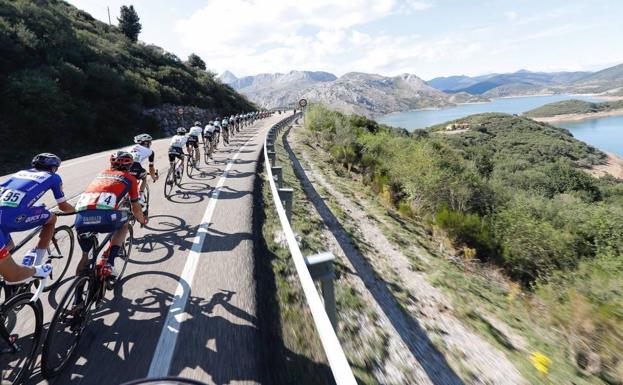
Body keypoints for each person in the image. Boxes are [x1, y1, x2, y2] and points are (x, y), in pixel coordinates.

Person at [0, 153, 74, 282]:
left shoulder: (20, 173)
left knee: (9, 245)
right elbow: (63, 206)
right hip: (13, 217)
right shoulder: (53, 177)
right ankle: (37, 265)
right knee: (51, 219)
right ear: (53, 168)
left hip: (2, 214)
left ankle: (5, 268)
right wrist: (77, 209)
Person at [74, 151, 147, 278]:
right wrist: (142, 220)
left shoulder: (101, 174)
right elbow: (135, 207)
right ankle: (110, 263)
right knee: (124, 223)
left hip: (81, 219)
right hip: (106, 218)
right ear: (130, 165)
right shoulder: (130, 178)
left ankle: (78, 295)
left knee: (86, 257)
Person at [128, 133, 158, 205]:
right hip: (135, 167)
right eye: (150, 142)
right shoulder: (150, 152)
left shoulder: (130, 148)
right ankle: (140, 196)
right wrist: (153, 177)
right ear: (146, 143)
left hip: (123, 167)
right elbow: (151, 168)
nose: (150, 144)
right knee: (144, 176)